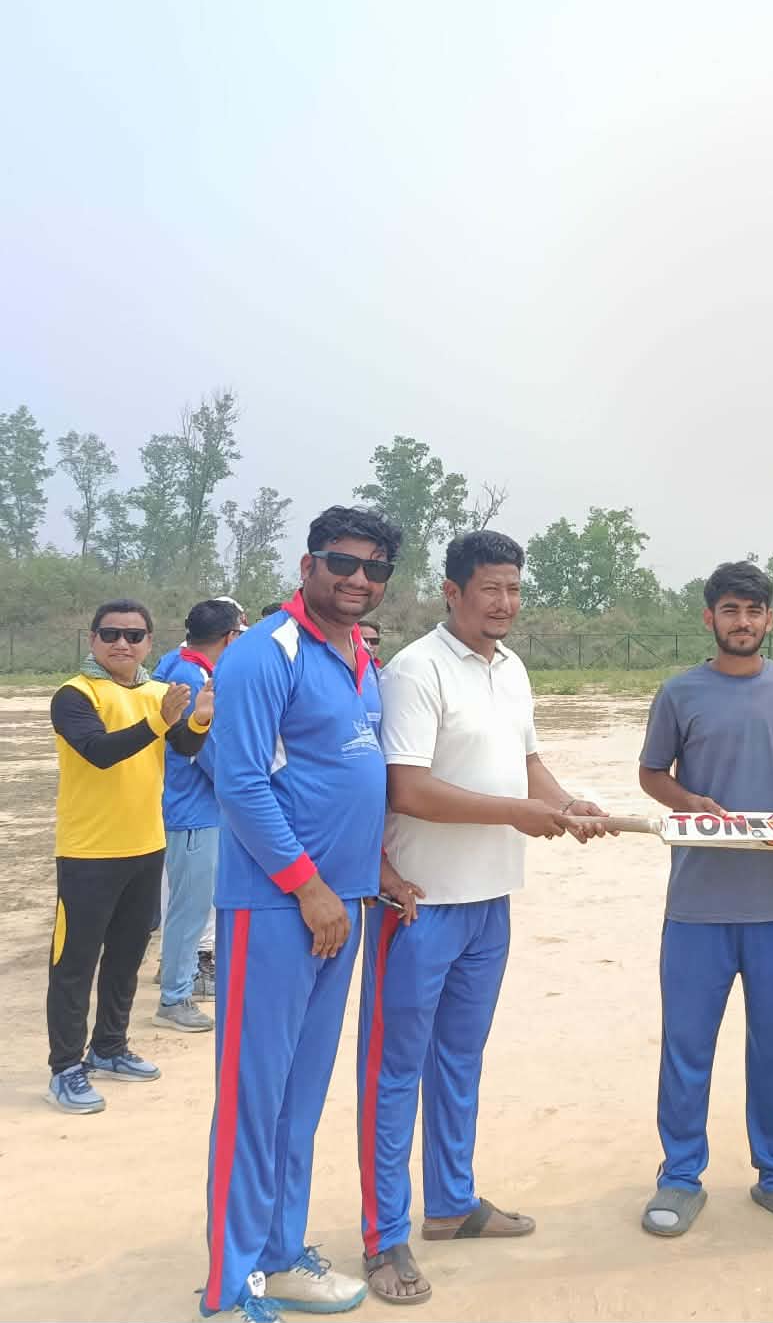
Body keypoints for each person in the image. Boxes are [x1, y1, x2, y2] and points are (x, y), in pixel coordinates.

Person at [358, 531, 610, 1303]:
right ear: (453, 591)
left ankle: (452, 1204)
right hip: (420, 904)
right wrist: (517, 813)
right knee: (394, 1071)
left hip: (489, 901)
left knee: (460, 1061)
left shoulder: (511, 668)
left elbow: (527, 764)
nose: (505, 603)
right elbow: (407, 789)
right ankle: (383, 1236)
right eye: (490, 589)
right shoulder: (416, 670)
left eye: (514, 589)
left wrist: (565, 804)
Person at [201, 505, 404, 1321]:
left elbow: (349, 775)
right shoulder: (266, 652)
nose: (358, 579)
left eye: (374, 568)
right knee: (254, 1096)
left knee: (300, 1095)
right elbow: (240, 782)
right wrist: (307, 886)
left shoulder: (359, 656)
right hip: (275, 906)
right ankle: (232, 1284)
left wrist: (367, 875)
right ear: (308, 564)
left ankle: (281, 1253)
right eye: (342, 562)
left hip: (341, 905)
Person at [637, 561, 773, 1237]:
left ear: (769, 619)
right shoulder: (679, 693)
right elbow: (652, 774)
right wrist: (689, 801)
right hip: (697, 906)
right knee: (687, 1049)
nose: (742, 622)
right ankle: (679, 1177)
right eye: (730, 610)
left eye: (753, 611)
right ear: (710, 618)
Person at [45, 599, 214, 1113]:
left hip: (146, 846)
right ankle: (66, 1067)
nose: (123, 643)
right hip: (89, 851)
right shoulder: (76, 694)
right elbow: (99, 752)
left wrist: (198, 720)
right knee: (75, 964)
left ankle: (110, 1047)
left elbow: (183, 746)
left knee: (125, 957)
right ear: (93, 639)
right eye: (111, 633)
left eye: (134, 635)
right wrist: (161, 723)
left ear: (148, 642)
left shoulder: (159, 693)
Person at [152, 599, 242, 1033]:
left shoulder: (175, 663)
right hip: (192, 808)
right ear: (230, 637)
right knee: (190, 908)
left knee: (185, 904)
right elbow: (201, 748)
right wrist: (241, 784)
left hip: (184, 803)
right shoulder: (193, 677)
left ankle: (177, 977)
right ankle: (175, 997)